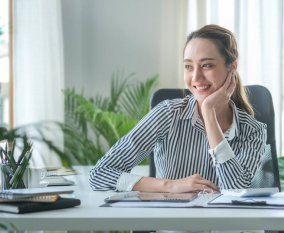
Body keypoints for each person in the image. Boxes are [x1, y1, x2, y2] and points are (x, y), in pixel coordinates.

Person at [89, 24, 267, 193]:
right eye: (189, 66)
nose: (196, 77)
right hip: (172, 224)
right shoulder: (167, 114)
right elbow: (100, 174)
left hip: (225, 225)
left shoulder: (253, 130)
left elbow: (235, 191)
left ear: (232, 67)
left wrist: (209, 113)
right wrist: (169, 185)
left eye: (206, 65)